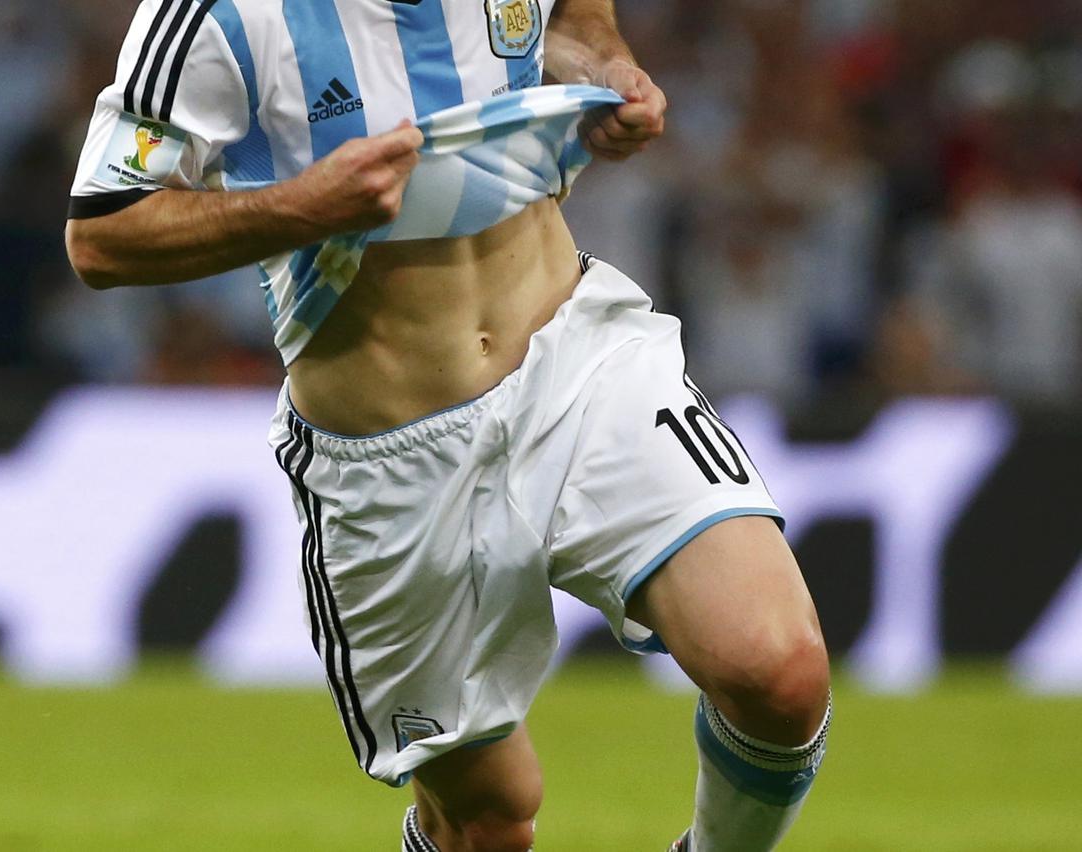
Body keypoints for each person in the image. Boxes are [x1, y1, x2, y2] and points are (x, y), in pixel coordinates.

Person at [65, 1, 832, 849]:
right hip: (389, 456)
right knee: (488, 822)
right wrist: (301, 206)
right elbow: (102, 234)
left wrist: (600, 66)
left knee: (778, 671)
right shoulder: (216, 16)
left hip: (575, 361)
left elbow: (576, 18)